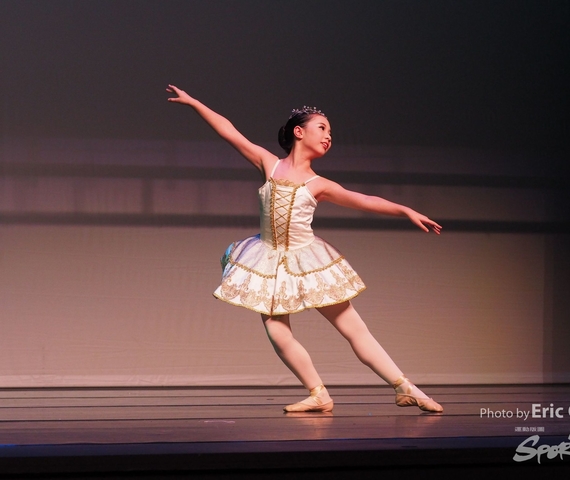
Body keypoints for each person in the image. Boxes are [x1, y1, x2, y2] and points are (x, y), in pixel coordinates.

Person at [167, 85, 443, 413]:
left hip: (307, 260)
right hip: (268, 260)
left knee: (354, 328)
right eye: (322, 128)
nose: (329, 137)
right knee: (277, 331)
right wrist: (195, 103)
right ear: (299, 132)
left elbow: (364, 200)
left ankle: (405, 388)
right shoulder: (269, 164)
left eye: (331, 133)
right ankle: (318, 393)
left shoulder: (319, 184)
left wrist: (405, 210)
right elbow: (229, 132)